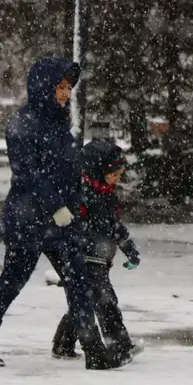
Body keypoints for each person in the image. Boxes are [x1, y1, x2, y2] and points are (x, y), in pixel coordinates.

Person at [0, 57, 121, 371]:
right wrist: (56, 207)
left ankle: (93, 350)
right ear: (43, 87)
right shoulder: (22, 125)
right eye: (60, 87)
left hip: (61, 224)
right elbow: (29, 175)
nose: (65, 93)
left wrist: (76, 206)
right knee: (12, 282)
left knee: (78, 281)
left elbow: (69, 170)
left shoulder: (61, 123)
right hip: (30, 222)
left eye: (68, 88)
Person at [51, 139, 142, 365]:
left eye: (120, 173)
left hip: (100, 257)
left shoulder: (107, 193)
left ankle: (63, 344)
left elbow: (114, 225)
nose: (117, 178)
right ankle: (119, 344)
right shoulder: (81, 194)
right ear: (97, 171)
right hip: (85, 256)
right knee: (105, 299)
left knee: (84, 300)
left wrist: (128, 248)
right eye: (113, 174)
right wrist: (82, 246)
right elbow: (73, 226)